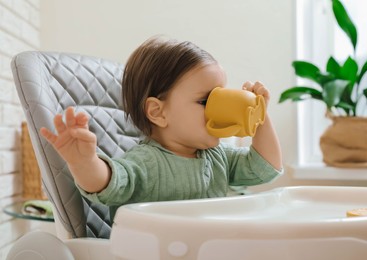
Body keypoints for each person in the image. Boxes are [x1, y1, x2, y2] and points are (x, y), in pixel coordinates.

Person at [40, 36, 283, 206]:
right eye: (205, 101)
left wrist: (259, 115)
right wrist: (84, 161)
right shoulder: (146, 162)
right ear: (158, 112)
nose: (217, 110)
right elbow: (108, 184)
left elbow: (265, 168)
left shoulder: (218, 156)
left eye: (221, 97)